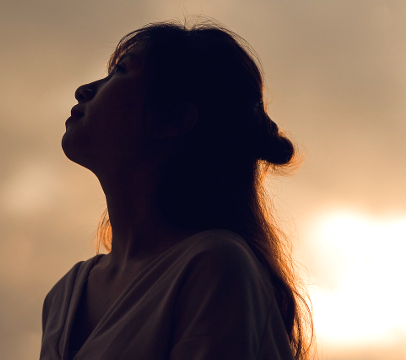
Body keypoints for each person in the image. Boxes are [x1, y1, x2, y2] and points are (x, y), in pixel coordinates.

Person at [40, 17, 313, 360]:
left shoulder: (215, 267)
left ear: (173, 119)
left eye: (121, 71)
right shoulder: (64, 295)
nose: (85, 89)